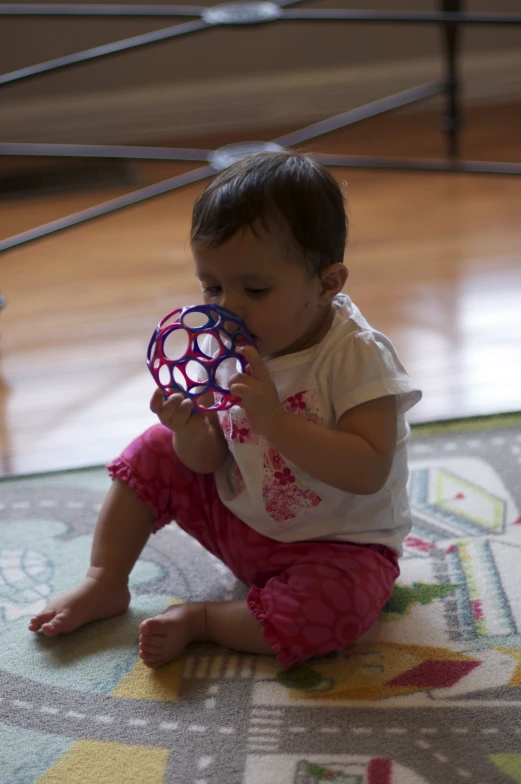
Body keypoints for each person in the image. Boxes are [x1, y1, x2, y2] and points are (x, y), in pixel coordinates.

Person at [29, 150, 421, 670]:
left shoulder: (356, 354)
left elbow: (370, 468)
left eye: (254, 289)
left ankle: (207, 619)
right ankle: (105, 581)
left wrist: (276, 422)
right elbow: (208, 459)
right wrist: (191, 433)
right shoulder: (227, 337)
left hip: (336, 547)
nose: (226, 306)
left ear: (328, 283)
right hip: (241, 520)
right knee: (154, 447)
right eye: (211, 285)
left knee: (336, 615)